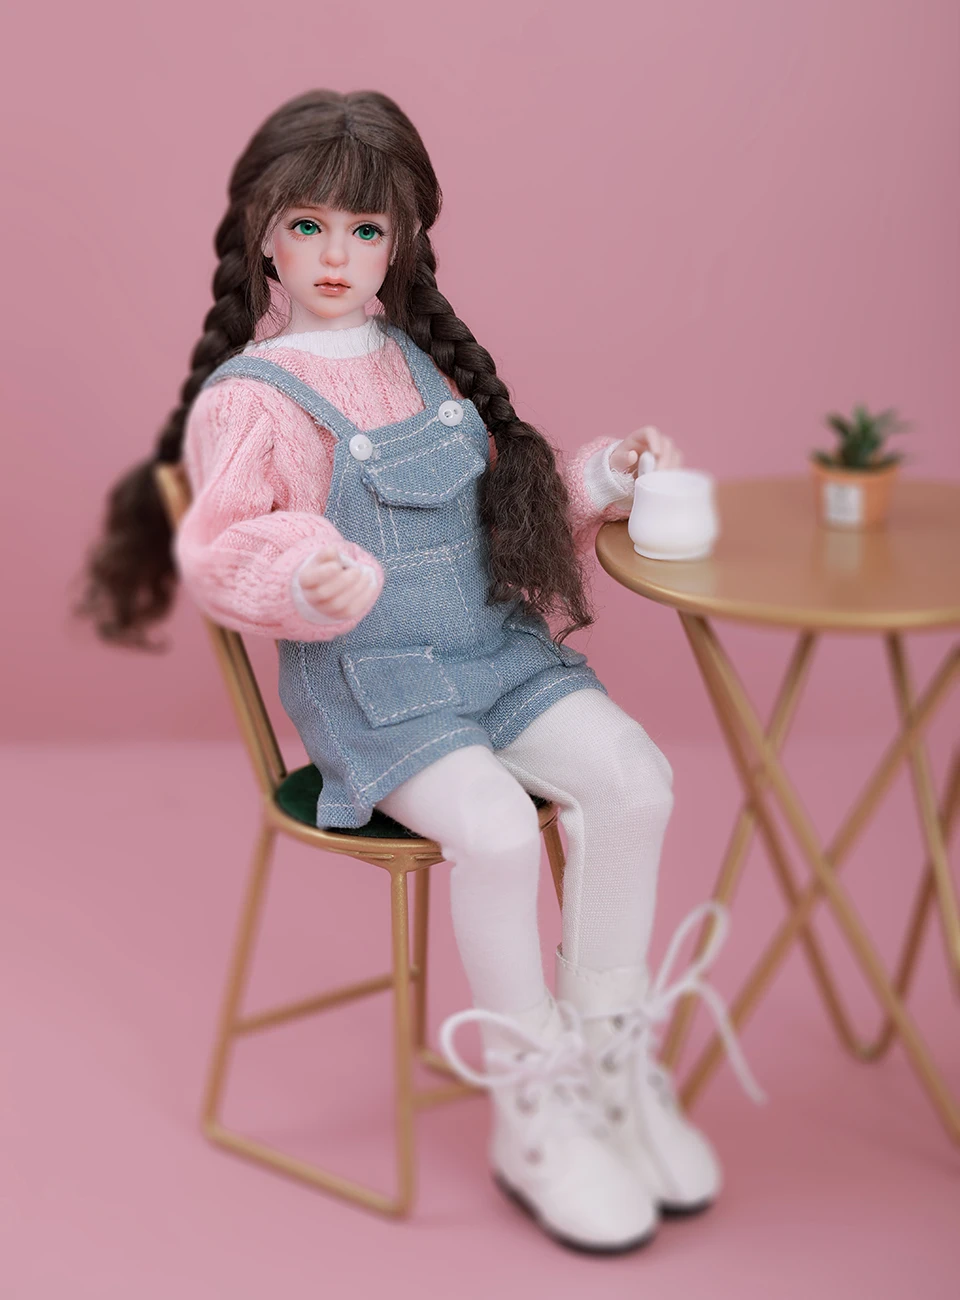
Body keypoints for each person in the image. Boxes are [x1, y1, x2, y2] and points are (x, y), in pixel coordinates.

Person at [78, 88, 762, 1255]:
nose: (335, 254)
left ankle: (608, 1061)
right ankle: (533, 1098)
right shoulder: (252, 398)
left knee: (635, 777)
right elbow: (222, 548)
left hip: (491, 655)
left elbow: (500, 510)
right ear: (262, 232)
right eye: (308, 225)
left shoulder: (417, 361)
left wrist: (603, 477)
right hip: (374, 690)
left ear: (400, 241)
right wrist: (304, 577)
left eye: (365, 229)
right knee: (494, 831)